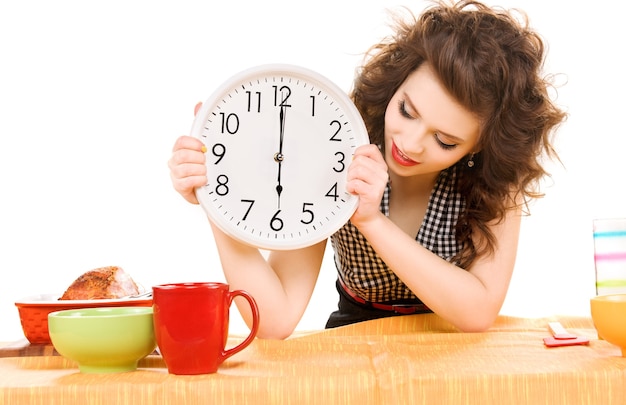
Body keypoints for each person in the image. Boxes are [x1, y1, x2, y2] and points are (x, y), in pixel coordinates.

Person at [168, 0, 566, 339]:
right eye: (407, 110)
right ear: (396, 82)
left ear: (482, 146)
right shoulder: (340, 140)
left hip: (453, 351)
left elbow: (477, 312)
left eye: (445, 141)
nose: (409, 144)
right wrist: (214, 200)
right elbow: (275, 319)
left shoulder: (498, 181)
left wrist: (372, 221)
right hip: (354, 340)